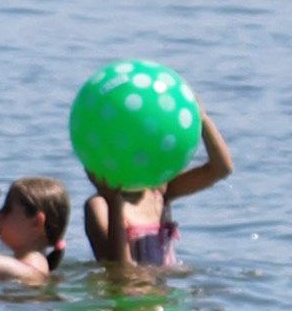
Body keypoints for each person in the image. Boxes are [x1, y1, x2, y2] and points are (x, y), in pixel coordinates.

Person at [82, 106, 235, 277]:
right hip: (128, 300)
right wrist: (114, 201)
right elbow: (120, 272)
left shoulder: (158, 193)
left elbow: (221, 169)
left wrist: (202, 117)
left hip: (162, 298)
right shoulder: (99, 205)